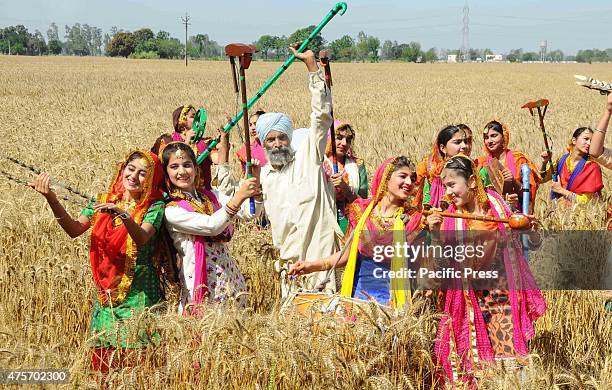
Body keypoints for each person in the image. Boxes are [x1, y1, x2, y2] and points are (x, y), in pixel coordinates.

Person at [217, 47, 341, 298]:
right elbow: (241, 210)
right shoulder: (263, 178)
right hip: (290, 267)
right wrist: (223, 160)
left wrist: (311, 68)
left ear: (289, 138)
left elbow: (322, 116)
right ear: (262, 144)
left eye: (281, 138)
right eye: (270, 139)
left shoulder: (309, 155)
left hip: (322, 261)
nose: (276, 144)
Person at [31, 150, 166, 372]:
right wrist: (52, 199)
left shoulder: (154, 206)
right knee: (105, 361)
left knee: (139, 364)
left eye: (143, 173)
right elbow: (74, 229)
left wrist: (122, 214)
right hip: (107, 296)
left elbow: (142, 237)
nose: (133, 176)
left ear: (151, 179)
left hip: (140, 295)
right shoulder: (103, 201)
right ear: (123, 170)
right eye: (130, 169)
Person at [426, 155, 546, 387]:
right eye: (445, 187)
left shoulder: (497, 206)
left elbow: (529, 244)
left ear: (471, 181)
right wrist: (436, 234)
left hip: (502, 300)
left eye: (452, 185)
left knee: (509, 367)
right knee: (478, 367)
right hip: (469, 301)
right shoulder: (451, 218)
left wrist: (528, 228)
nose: (447, 193)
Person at [289, 156, 422, 309]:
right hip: (357, 296)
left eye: (412, 179)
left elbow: (420, 266)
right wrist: (311, 266)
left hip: (391, 302)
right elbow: (346, 255)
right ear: (386, 177)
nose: (409, 183)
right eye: (403, 176)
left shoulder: (413, 220)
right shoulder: (362, 211)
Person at [161, 142, 262, 313]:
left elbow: (248, 214)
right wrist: (238, 196)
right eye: (174, 167)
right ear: (166, 173)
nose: (182, 172)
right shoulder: (172, 211)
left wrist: (255, 184)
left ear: (196, 168)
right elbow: (212, 226)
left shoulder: (211, 196)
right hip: (201, 284)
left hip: (230, 279)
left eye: (187, 165)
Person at [476, 120, 541, 214]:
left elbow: (529, 195)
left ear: (504, 137)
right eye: (486, 137)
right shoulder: (481, 163)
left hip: (516, 215)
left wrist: (514, 182)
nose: (489, 141)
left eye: (494, 136)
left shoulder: (518, 160)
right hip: (490, 215)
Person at [152, 105, 214, 190]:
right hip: (173, 192)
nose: (197, 120)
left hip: (202, 192)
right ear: (181, 120)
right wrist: (187, 142)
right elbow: (161, 163)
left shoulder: (204, 142)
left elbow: (218, 160)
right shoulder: (167, 141)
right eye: (193, 116)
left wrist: (224, 139)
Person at [323, 120, 368, 233]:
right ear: (328, 138)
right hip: (323, 224)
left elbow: (363, 202)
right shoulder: (319, 165)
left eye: (348, 140)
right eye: (339, 137)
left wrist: (345, 188)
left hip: (349, 223)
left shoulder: (358, 166)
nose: (344, 143)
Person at [540, 127, 604, 204]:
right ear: (574, 140)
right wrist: (544, 163)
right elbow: (541, 180)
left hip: (581, 214)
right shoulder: (561, 160)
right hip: (560, 212)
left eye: (591, 141)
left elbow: (586, 202)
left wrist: (561, 190)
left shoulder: (592, 167)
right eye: (586, 139)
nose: (589, 143)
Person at [415, 125, 470, 208]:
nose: (464, 146)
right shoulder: (431, 169)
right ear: (443, 148)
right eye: (457, 142)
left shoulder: (472, 167)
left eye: (465, 142)